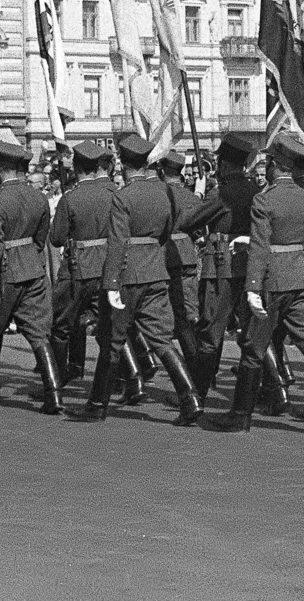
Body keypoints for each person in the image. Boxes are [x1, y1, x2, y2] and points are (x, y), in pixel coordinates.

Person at [209, 135, 304, 437]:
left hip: (273, 279)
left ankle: (240, 416)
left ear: (276, 164)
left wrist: (252, 287)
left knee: (253, 349)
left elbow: (261, 246)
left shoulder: (265, 198)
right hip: (301, 274)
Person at [87, 136, 202, 425]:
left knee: (113, 342)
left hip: (127, 275)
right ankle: (191, 400)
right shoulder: (165, 193)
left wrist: (111, 282)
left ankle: (98, 404)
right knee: (162, 339)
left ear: (124, 165)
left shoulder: (123, 197)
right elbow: (165, 233)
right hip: (156, 270)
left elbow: (117, 242)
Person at [0, 141, 59, 413]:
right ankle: (54, 395)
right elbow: (42, 238)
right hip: (33, 268)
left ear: (2, 169)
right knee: (38, 333)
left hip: (7, 272)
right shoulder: (39, 197)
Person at [178, 133, 259, 403]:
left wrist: (199, 194)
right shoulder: (255, 190)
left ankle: (196, 396)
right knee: (251, 332)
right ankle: (274, 390)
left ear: (223, 165)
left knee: (212, 331)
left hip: (221, 265)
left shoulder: (220, 193)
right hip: (249, 265)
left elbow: (188, 220)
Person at [49, 142, 115, 404]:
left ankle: (56, 382)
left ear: (76, 168)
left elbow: (56, 239)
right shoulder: (113, 194)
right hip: (106, 267)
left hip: (77, 268)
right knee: (108, 328)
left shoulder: (70, 198)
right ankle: (129, 377)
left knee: (60, 327)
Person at [157, 150, 204, 382]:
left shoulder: (158, 195)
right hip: (187, 255)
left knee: (169, 315)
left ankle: (194, 366)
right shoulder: (191, 197)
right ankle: (201, 365)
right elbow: (199, 230)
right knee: (189, 311)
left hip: (165, 256)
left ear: (162, 170)